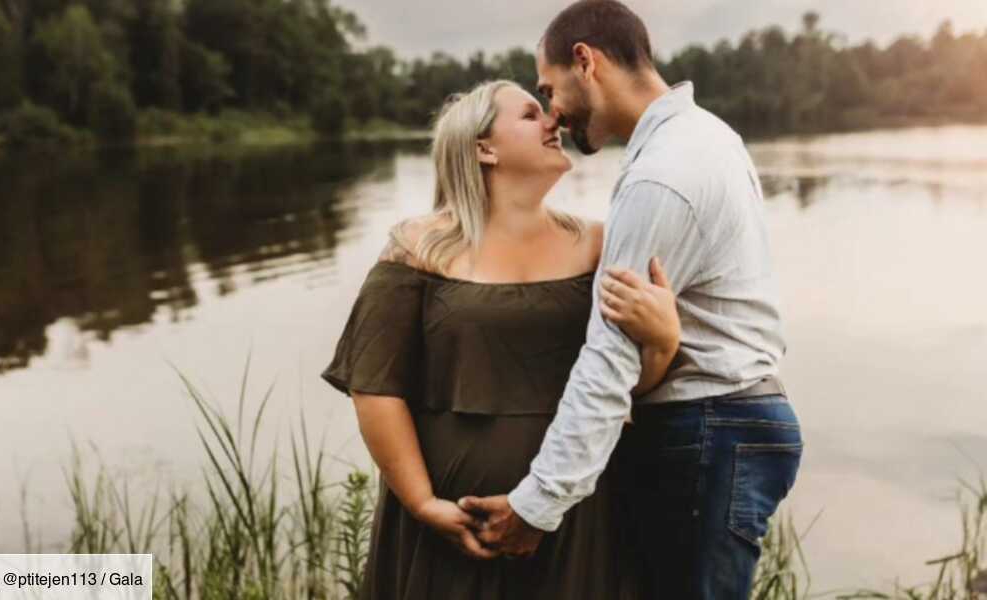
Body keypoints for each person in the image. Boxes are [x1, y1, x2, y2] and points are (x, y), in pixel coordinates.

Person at [459, 2, 803, 599]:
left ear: (585, 61)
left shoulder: (661, 173)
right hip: (728, 423)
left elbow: (607, 360)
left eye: (549, 89)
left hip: (709, 428)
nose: (554, 114)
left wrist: (537, 505)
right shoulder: (704, 137)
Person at [321, 79, 679, 599]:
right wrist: (423, 504)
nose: (554, 120)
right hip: (452, 516)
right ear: (483, 148)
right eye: (532, 115)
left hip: (576, 513)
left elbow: (625, 386)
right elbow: (376, 388)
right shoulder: (416, 248)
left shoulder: (601, 245)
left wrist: (663, 342)